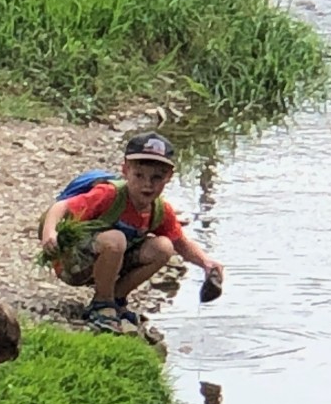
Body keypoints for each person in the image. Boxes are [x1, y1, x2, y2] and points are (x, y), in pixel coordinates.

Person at [37, 130, 223, 335]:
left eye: (156, 177)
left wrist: (206, 263)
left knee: (164, 247)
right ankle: (101, 304)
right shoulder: (108, 194)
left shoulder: (159, 211)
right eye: (139, 175)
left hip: (112, 262)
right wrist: (49, 233)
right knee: (116, 239)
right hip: (73, 264)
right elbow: (61, 207)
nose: (147, 184)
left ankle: (116, 298)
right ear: (125, 170)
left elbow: (181, 243)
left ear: (168, 177)